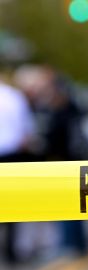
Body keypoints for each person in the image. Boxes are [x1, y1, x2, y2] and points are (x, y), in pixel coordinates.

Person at [0, 78, 35, 264]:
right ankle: (11, 251)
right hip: (11, 156)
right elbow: (27, 132)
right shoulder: (14, 97)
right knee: (11, 207)